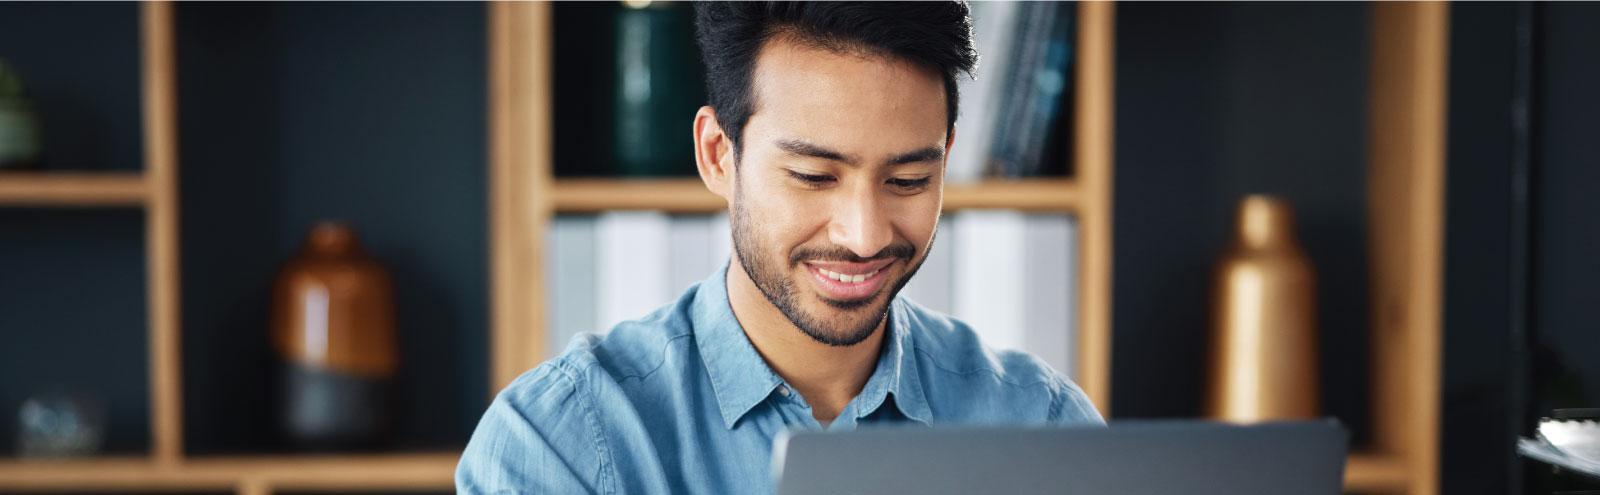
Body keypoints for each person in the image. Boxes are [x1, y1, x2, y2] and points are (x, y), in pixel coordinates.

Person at [456, 2, 1103, 493]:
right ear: (717, 154)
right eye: (815, 176)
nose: (864, 233)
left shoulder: (1043, 425)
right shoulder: (560, 444)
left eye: (908, 180)